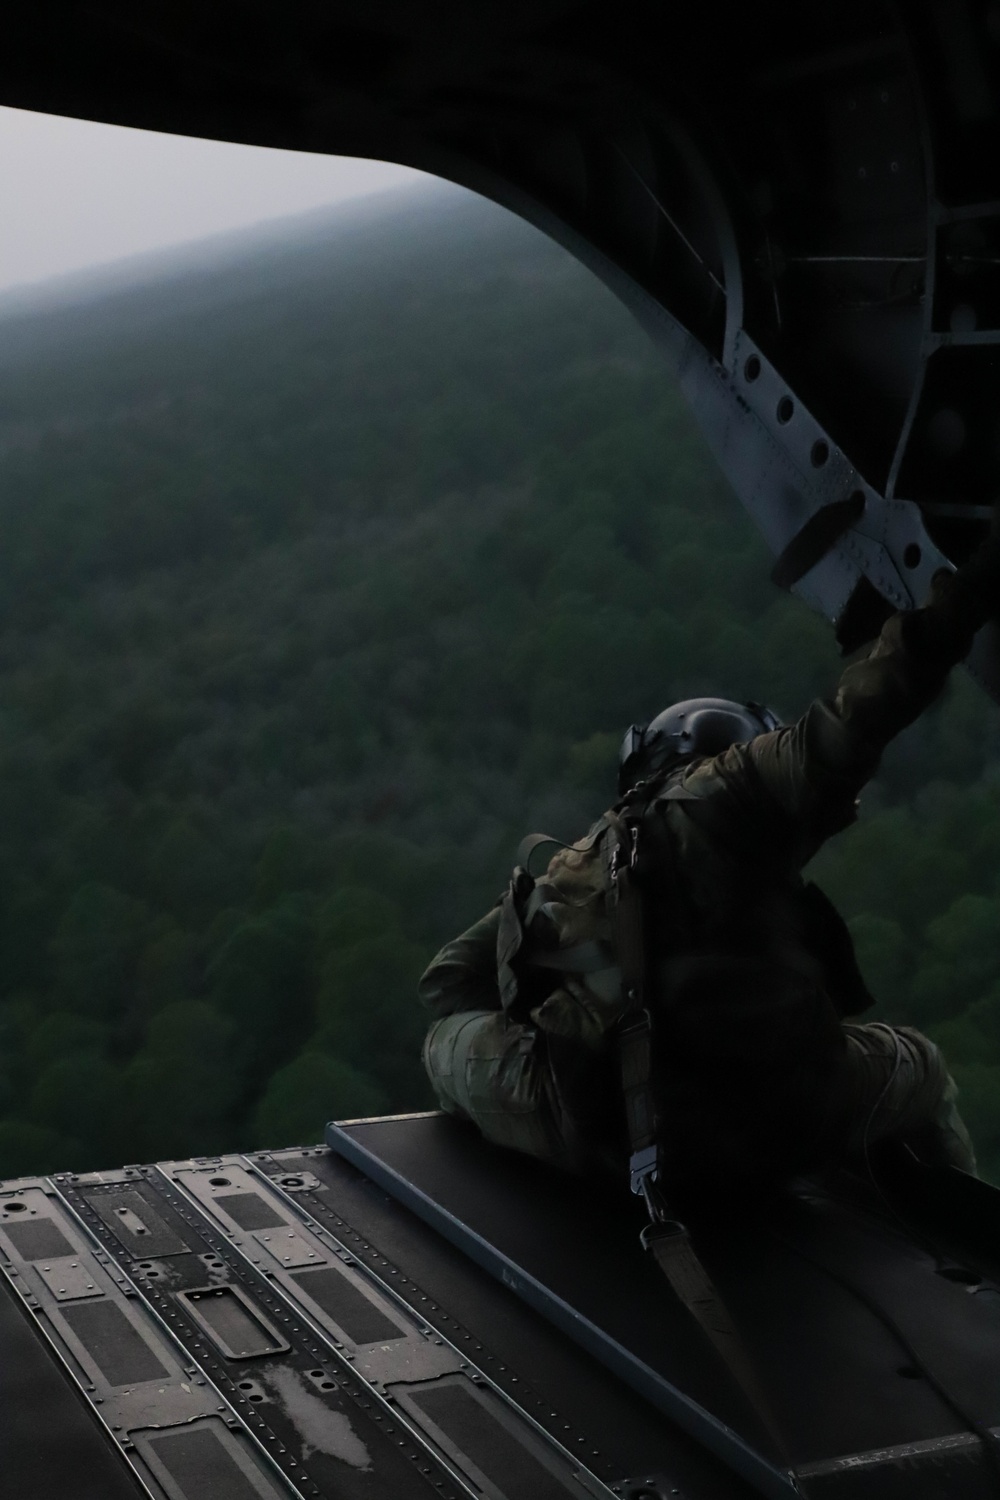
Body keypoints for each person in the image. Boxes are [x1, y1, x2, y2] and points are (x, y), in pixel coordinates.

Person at [418, 529, 1000, 1198]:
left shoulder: (586, 859)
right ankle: (969, 1260)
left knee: (445, 1041)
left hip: (610, 1136)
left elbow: (449, 984)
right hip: (782, 1125)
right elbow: (864, 714)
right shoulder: (737, 792)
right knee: (919, 1067)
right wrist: (969, 592)